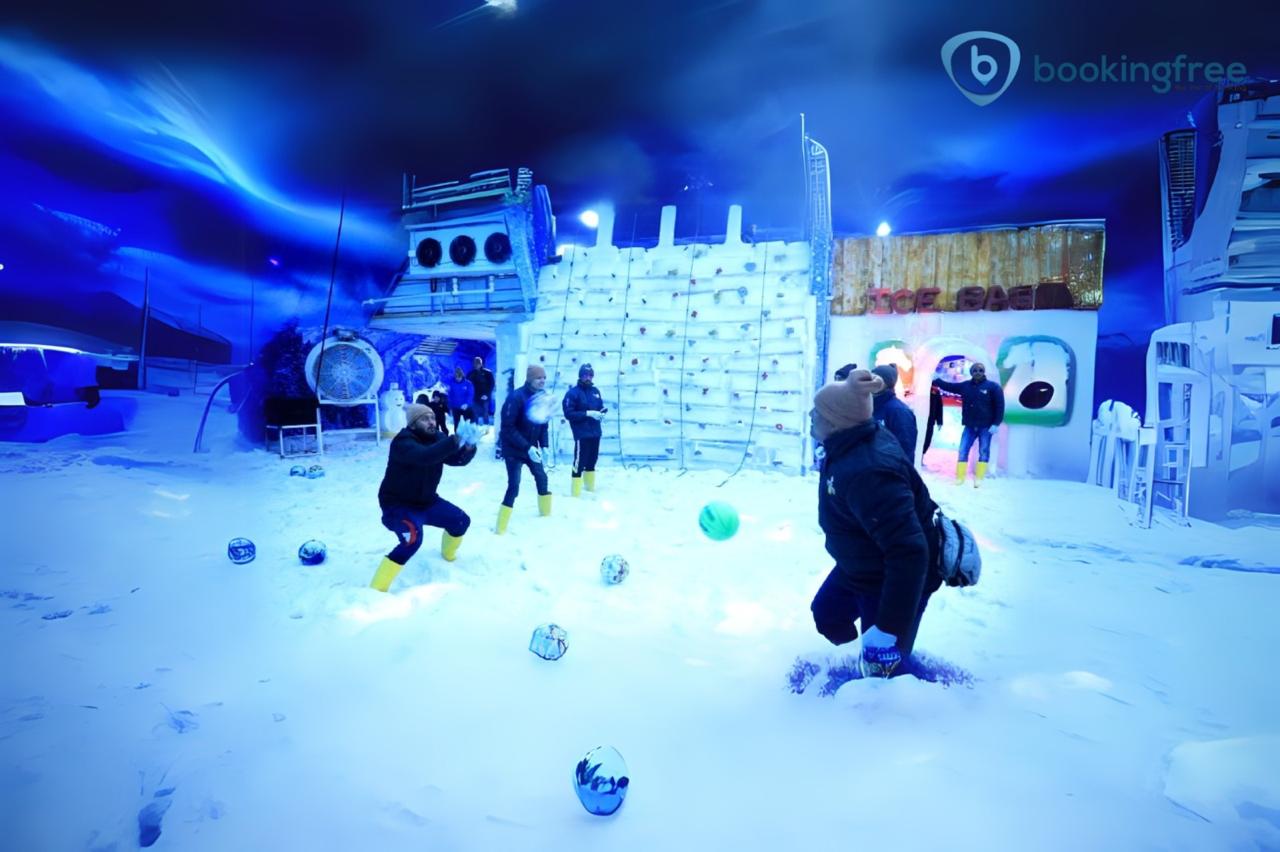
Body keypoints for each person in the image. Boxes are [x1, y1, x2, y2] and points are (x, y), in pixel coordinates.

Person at [808, 369, 942, 678]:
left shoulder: (869, 472)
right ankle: (862, 659)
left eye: (818, 411)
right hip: (863, 562)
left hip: (892, 578)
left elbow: (909, 553)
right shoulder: (847, 443)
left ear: (835, 421)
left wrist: (888, 628)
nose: (811, 416)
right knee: (828, 615)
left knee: (884, 667)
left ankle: (893, 688)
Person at [370, 403, 481, 592]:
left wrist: (469, 446)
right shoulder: (402, 442)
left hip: (427, 501)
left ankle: (448, 556)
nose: (431, 422)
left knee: (461, 521)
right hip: (398, 506)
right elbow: (424, 457)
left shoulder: (437, 437)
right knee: (412, 540)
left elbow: (456, 459)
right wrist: (455, 439)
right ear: (413, 424)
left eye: (432, 418)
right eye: (424, 419)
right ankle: (377, 588)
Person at [496, 365, 553, 533]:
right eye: (538, 378)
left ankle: (545, 518)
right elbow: (507, 428)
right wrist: (527, 447)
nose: (542, 381)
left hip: (532, 449)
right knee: (514, 486)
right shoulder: (516, 397)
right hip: (514, 449)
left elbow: (543, 424)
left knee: (542, 477)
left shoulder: (543, 397)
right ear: (530, 379)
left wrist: (544, 446)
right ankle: (501, 527)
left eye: (544, 378)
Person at [932, 362, 1005, 486]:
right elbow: (949, 386)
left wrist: (996, 423)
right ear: (971, 372)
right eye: (975, 370)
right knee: (963, 450)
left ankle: (979, 478)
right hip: (969, 425)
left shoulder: (993, 387)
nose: (978, 372)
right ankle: (960, 477)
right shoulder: (965, 386)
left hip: (986, 426)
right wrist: (936, 380)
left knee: (984, 451)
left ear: (984, 371)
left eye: (980, 370)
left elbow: (1000, 406)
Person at [561, 363, 607, 496]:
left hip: (595, 432)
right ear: (580, 376)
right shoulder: (572, 393)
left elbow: (599, 406)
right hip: (582, 433)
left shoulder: (595, 391)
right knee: (579, 462)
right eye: (585, 375)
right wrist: (587, 413)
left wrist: (601, 412)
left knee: (592, 460)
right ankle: (575, 492)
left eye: (590, 375)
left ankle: (589, 489)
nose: (588, 378)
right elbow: (569, 414)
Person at [870, 365, 918, 462]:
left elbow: (905, 448)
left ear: (887, 383)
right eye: (870, 379)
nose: (871, 383)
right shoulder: (869, 406)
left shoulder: (899, 411)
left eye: (876, 379)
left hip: (888, 468)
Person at [467, 356, 496, 426]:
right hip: (475, 397)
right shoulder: (471, 374)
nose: (476, 365)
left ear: (481, 364)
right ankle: (475, 428)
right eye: (475, 363)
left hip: (485, 397)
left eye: (478, 363)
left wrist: (487, 394)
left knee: (485, 414)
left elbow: (492, 384)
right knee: (475, 414)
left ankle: (486, 428)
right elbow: (468, 385)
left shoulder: (488, 373)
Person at [446, 365, 475, 431]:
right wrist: (449, 407)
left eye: (459, 377)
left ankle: (468, 435)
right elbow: (450, 395)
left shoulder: (468, 383)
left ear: (462, 376)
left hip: (466, 407)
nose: (458, 379)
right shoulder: (451, 384)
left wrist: (467, 404)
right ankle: (456, 435)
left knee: (467, 423)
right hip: (455, 407)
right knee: (456, 423)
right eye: (456, 377)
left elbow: (470, 394)